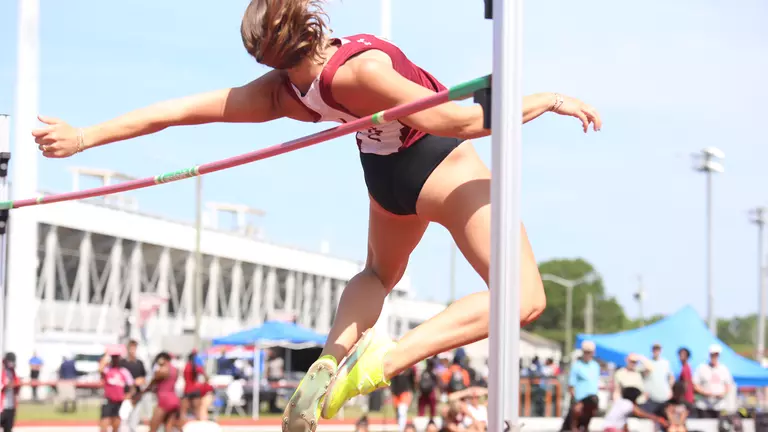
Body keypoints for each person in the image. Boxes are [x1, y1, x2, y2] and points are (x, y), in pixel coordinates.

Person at [30, 1, 601, 429]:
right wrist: (544, 100)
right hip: (439, 161)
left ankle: (331, 357)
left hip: (385, 183)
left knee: (378, 276)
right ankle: (383, 361)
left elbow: (178, 112)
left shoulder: (282, 93)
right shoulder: (358, 69)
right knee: (523, 298)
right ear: (308, 20)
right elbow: (456, 121)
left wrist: (85, 137)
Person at [98, 347, 135, 432]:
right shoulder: (108, 370)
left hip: (119, 402)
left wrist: (128, 395)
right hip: (108, 401)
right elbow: (100, 369)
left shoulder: (124, 371)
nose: (115, 360)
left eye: (117, 358)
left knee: (116, 426)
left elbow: (132, 386)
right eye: (114, 358)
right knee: (104, 425)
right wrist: (106, 355)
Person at [144, 352, 181, 432]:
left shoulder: (162, 370)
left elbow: (152, 384)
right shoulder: (175, 370)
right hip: (174, 399)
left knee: (153, 428)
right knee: (168, 428)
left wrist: (144, 390)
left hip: (164, 400)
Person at [602, 387, 668, 432]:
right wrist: (659, 419)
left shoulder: (620, 402)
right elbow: (641, 414)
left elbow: (623, 423)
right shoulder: (628, 404)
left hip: (607, 428)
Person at [693, 344, 732, 419]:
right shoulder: (702, 368)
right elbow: (695, 385)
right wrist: (705, 393)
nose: (714, 357)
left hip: (719, 406)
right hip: (704, 405)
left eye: (716, 355)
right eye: (713, 355)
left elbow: (728, 386)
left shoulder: (724, 369)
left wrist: (722, 393)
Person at [120, 340, 148, 432]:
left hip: (137, 396)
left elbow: (144, 378)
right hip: (126, 396)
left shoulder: (139, 363)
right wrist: (132, 382)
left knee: (134, 422)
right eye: (131, 348)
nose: (133, 350)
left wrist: (140, 381)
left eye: (134, 348)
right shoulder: (122, 363)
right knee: (123, 421)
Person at [643, 343, 674, 414]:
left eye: (658, 349)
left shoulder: (665, 363)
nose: (656, 351)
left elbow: (671, 377)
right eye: (654, 349)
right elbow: (643, 377)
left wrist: (670, 389)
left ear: (660, 350)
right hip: (651, 397)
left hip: (664, 396)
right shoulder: (647, 362)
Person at [568, 341, 600, 412]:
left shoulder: (596, 366)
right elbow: (571, 385)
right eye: (586, 352)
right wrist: (575, 401)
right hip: (579, 401)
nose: (588, 354)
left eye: (589, 352)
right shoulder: (577, 365)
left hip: (592, 401)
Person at [389, 365, 417, 431]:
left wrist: (412, 390)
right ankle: (400, 427)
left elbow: (413, 380)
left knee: (402, 411)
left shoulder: (409, 368)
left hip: (405, 392)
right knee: (398, 413)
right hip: (395, 392)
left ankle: (401, 429)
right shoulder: (394, 367)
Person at [1, 353, 20, 432]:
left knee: (8, 428)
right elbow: (4, 385)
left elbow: (17, 385)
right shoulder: (2, 372)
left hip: (10, 406)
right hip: (2, 407)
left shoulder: (13, 373)